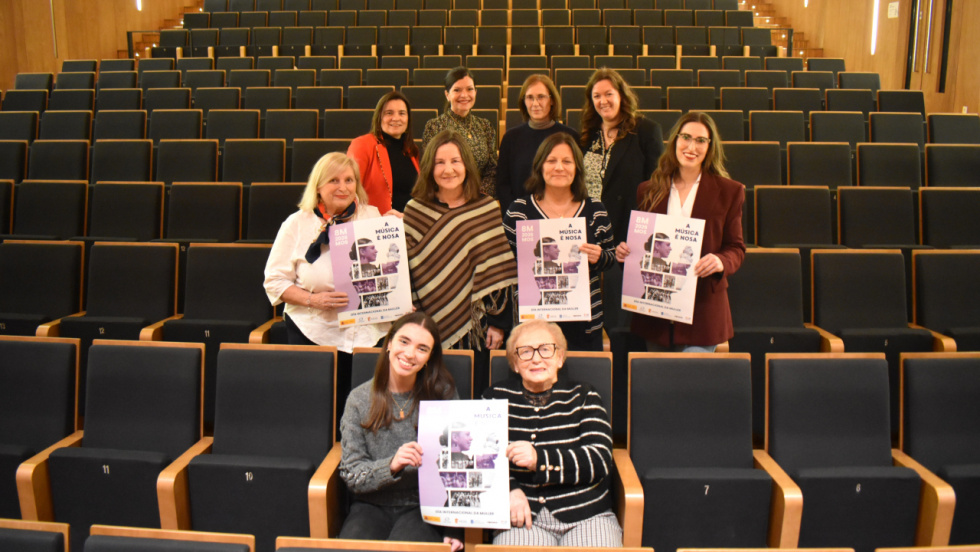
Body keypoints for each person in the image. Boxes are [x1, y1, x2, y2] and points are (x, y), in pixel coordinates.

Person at [264, 152, 390, 413]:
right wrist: (314, 300)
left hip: (367, 335)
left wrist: (396, 301)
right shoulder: (296, 224)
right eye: (334, 180)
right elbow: (274, 281)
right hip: (315, 331)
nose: (343, 187)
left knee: (363, 413)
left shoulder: (373, 218)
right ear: (318, 187)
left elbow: (387, 271)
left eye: (349, 180)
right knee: (316, 412)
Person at [482, 320, 620, 547]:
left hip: (586, 515)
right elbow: (482, 457)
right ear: (515, 363)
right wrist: (509, 489)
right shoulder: (494, 398)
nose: (536, 359)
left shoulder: (584, 395)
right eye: (525, 352)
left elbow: (600, 459)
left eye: (545, 349)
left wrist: (540, 459)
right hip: (523, 515)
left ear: (560, 357)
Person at [615, 112, 746, 352]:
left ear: (710, 146)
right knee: (658, 375)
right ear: (675, 140)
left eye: (700, 140)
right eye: (686, 137)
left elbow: (736, 248)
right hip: (655, 312)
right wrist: (626, 253)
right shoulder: (648, 190)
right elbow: (642, 247)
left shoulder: (730, 191)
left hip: (703, 311)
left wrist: (720, 261)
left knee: (691, 376)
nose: (691, 147)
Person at [338, 312, 463, 551]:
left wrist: (454, 527)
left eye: (422, 349)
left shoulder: (443, 394)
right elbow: (352, 474)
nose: (410, 354)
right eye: (404, 341)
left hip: (425, 508)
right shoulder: (359, 399)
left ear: (429, 357)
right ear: (389, 343)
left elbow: (460, 463)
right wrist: (391, 465)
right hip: (370, 505)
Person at [403, 129, 517, 392]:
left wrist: (498, 325)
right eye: (440, 162)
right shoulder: (415, 211)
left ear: (466, 165)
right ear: (429, 168)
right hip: (427, 324)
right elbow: (404, 271)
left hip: (478, 329)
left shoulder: (486, 208)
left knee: (472, 392)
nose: (448, 169)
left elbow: (499, 273)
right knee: (434, 396)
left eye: (455, 161)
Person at [502, 133, 617, 351]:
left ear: (577, 168)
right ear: (540, 166)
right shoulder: (519, 211)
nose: (559, 168)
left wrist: (599, 256)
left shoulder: (595, 210)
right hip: (532, 325)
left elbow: (610, 257)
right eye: (551, 161)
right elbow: (504, 265)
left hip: (584, 326)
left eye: (567, 161)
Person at [579, 67, 663, 245]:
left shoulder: (646, 130)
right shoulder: (588, 135)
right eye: (597, 96)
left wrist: (642, 235)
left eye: (609, 94)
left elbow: (657, 188)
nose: (603, 101)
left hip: (628, 231)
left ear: (621, 96)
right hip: (590, 229)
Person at [496, 74, 579, 210]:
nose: (535, 103)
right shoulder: (510, 138)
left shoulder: (570, 136)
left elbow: (578, 180)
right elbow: (503, 184)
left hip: (562, 215)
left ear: (552, 100)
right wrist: (514, 213)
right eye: (530, 97)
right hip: (521, 215)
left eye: (541, 97)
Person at [421, 67, 498, 197]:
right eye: (457, 90)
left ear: (475, 92)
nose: (464, 95)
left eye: (469, 89)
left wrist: (479, 196)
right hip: (446, 198)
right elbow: (429, 168)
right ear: (447, 94)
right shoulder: (434, 126)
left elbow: (493, 169)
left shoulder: (485, 126)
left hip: (479, 198)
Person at [347, 90, 420, 215]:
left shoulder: (412, 150)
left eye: (402, 113)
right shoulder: (363, 145)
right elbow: (349, 191)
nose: (396, 118)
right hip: (378, 223)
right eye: (389, 113)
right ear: (379, 117)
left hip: (410, 222)